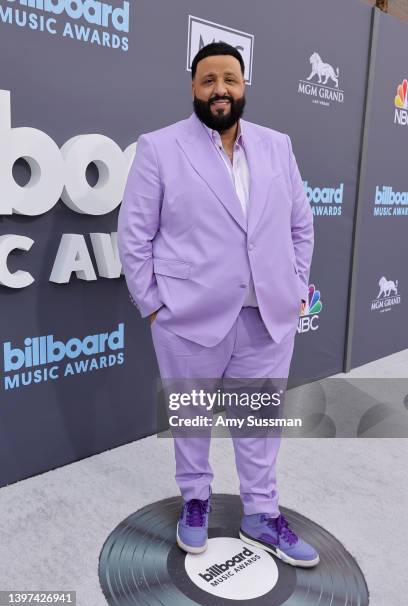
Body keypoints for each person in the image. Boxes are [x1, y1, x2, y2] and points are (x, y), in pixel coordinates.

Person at [118, 42, 318, 567]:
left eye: (230, 78)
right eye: (208, 80)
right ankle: (195, 500)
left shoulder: (278, 146)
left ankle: (261, 512)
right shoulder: (160, 147)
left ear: (244, 84)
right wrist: (154, 306)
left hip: (267, 317)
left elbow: (301, 225)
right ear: (193, 88)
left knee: (258, 424)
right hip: (187, 317)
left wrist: (297, 288)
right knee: (190, 418)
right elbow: (134, 235)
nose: (220, 89)